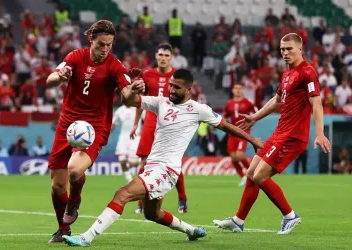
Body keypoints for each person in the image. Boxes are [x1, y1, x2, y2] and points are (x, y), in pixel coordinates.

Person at [62, 69, 263, 247]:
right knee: (153, 214)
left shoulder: (198, 110)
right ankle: (191, 231)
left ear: (188, 90)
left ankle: (86, 238)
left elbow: (227, 127)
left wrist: (252, 140)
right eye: (170, 86)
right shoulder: (161, 103)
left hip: (167, 170)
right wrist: (131, 88)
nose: (171, 90)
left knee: (121, 194)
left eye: (176, 87)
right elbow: (128, 101)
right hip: (152, 166)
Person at [213, 33, 331, 234]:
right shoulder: (287, 74)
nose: (285, 53)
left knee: (259, 176)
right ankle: (238, 220)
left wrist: (319, 133)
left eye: (289, 49)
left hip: (292, 136)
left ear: (300, 49)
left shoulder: (308, 72)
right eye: (282, 49)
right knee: (251, 173)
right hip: (279, 132)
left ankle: (290, 215)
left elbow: (316, 102)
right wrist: (255, 117)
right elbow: (276, 101)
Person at [45, 20, 142, 243]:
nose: (105, 49)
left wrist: (133, 89)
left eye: (109, 44)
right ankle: (63, 229)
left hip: (95, 126)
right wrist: (60, 77)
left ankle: (75, 200)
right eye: (101, 44)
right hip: (68, 124)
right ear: (91, 39)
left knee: (75, 171)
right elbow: (50, 80)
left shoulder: (115, 66)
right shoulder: (75, 57)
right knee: (57, 184)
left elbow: (127, 97)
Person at [130, 43, 189, 214]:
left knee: (173, 162)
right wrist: (135, 123)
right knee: (144, 161)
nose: (163, 58)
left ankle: (182, 197)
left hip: (171, 122)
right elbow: (141, 101)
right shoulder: (147, 75)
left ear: (171, 57)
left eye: (166, 56)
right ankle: (142, 201)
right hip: (150, 121)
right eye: (160, 55)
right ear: (156, 56)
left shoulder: (178, 76)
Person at [224, 82, 256, 186]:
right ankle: (243, 177)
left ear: (242, 90)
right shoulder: (229, 103)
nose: (238, 90)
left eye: (240, 88)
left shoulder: (248, 102)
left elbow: (256, 112)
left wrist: (252, 121)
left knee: (239, 155)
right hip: (232, 132)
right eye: (236, 88)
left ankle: (251, 173)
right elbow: (225, 116)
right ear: (232, 90)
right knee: (233, 158)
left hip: (243, 132)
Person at [111, 104, 142, 183]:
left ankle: (145, 164)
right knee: (122, 161)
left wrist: (144, 130)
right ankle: (129, 180)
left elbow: (147, 120)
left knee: (133, 163)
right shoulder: (120, 110)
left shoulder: (138, 108)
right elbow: (113, 124)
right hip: (123, 139)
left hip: (135, 138)